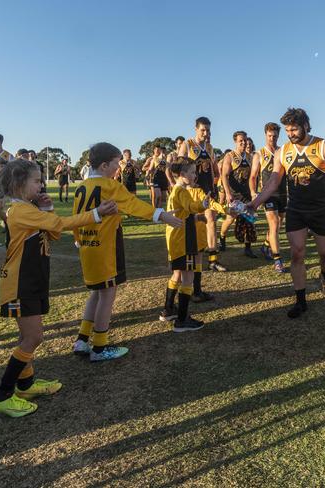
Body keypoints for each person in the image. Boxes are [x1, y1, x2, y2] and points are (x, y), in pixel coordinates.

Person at [0, 158, 118, 417]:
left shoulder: (29, 208)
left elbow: (53, 233)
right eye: (36, 181)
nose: (41, 185)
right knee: (34, 337)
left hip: (32, 280)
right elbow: (60, 226)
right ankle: (3, 394)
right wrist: (96, 213)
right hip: (19, 284)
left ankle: (25, 385)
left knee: (27, 337)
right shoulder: (20, 210)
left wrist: (47, 209)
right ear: (18, 183)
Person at [249, 108, 325, 318]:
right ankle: (300, 300)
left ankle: (324, 276)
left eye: (294, 129)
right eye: (287, 130)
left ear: (305, 126)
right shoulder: (283, 151)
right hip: (296, 210)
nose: (290, 134)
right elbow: (274, 181)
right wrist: (256, 202)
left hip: (320, 210)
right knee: (297, 253)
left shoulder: (323, 146)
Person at [71, 142, 182, 362]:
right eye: (116, 164)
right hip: (105, 247)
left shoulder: (81, 186)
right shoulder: (110, 186)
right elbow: (134, 206)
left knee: (96, 292)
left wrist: (78, 241)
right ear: (104, 166)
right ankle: (99, 348)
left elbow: (76, 219)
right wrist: (163, 215)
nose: (118, 169)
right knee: (108, 294)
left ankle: (82, 340)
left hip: (87, 246)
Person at [160, 158, 225, 329]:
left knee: (177, 274)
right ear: (182, 174)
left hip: (175, 239)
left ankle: (168, 310)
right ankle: (182, 320)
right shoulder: (181, 191)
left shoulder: (174, 190)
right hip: (183, 240)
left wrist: (198, 216)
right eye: (193, 172)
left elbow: (183, 213)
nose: (195, 175)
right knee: (188, 278)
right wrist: (202, 205)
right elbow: (191, 206)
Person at [178, 117, 226, 271]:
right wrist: (181, 186)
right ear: (196, 129)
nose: (206, 133)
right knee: (194, 224)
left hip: (207, 190)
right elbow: (179, 168)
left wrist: (215, 185)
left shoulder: (210, 147)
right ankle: (190, 254)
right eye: (203, 130)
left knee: (211, 220)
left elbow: (213, 169)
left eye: (208, 130)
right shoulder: (187, 145)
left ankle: (213, 259)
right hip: (192, 192)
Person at [250, 122, 287, 272]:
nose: (272, 138)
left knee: (279, 224)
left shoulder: (283, 151)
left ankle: (266, 246)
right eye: (270, 136)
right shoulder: (259, 154)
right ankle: (277, 259)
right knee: (274, 225)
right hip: (268, 195)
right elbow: (253, 176)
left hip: (283, 193)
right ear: (265, 135)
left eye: (275, 136)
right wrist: (254, 193)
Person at [219, 130, 256, 258]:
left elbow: (253, 176)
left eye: (245, 140)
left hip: (246, 194)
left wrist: (254, 192)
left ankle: (248, 247)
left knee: (249, 220)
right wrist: (228, 193)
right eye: (241, 140)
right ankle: (222, 237)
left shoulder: (250, 157)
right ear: (235, 141)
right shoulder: (230, 156)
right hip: (234, 194)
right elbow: (224, 175)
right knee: (230, 218)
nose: (243, 142)